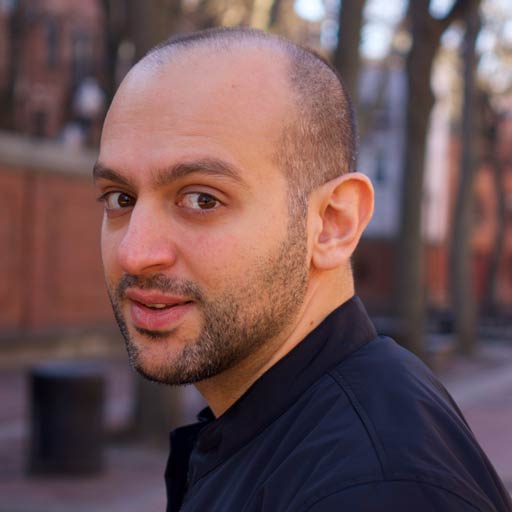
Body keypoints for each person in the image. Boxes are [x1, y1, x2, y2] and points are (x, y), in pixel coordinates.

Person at [94, 27, 512, 512]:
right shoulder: (287, 430)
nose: (134, 253)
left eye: (202, 199)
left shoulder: (370, 489)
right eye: (120, 198)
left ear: (333, 223)